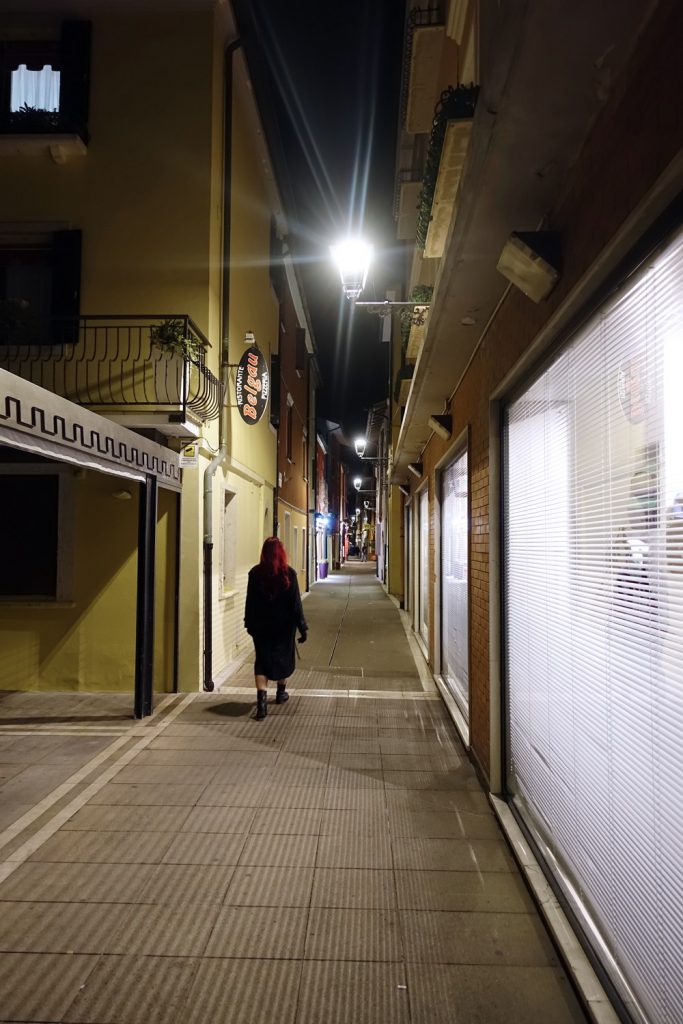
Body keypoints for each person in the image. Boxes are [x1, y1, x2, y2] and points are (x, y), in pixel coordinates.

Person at [244, 536, 307, 720]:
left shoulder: (255, 574)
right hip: (284, 627)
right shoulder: (289, 574)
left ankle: (262, 704)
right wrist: (302, 627)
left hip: (261, 627)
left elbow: (250, 603)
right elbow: (296, 605)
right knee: (283, 658)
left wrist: (249, 624)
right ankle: (280, 693)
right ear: (281, 553)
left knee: (261, 661)